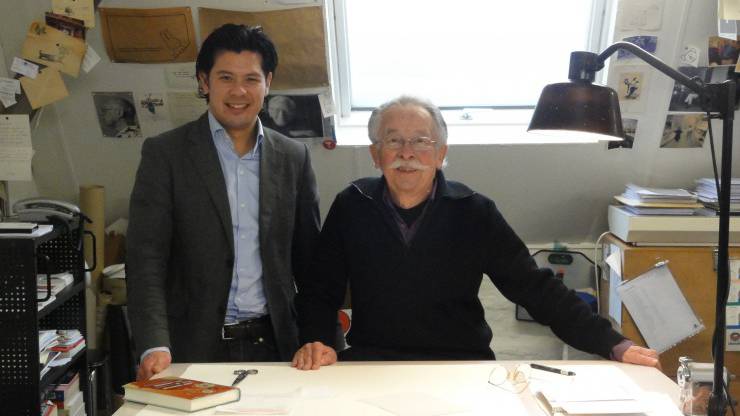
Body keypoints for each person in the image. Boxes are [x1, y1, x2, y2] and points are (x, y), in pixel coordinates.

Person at [291, 95, 661, 370]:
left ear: (441, 154)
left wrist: (612, 344)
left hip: (461, 363)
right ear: (375, 154)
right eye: (393, 141)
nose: (408, 152)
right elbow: (319, 290)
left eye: (421, 141)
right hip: (373, 362)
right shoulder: (352, 205)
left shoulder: (473, 211)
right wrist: (318, 342)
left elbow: (535, 287)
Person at [127, 24, 320, 380]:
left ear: (268, 82)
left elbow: (310, 263)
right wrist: (154, 343)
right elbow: (145, 260)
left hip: (277, 345)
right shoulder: (165, 154)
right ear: (204, 82)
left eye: (251, 79)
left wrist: (319, 338)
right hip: (191, 346)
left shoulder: (294, 157)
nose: (238, 91)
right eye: (225, 77)